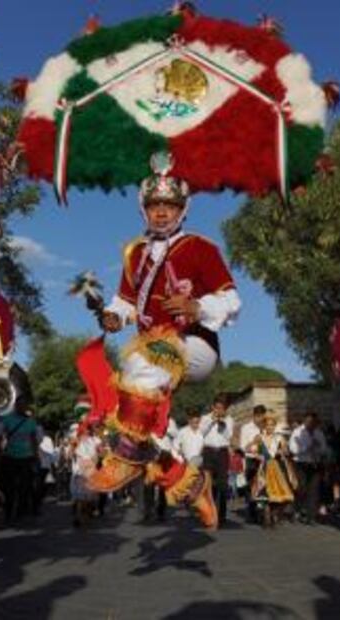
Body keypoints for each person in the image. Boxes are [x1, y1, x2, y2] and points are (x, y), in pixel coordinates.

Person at [81, 152, 241, 529]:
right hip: (150, 353)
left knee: (147, 363)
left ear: (183, 209)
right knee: (135, 422)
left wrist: (196, 305)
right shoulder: (134, 253)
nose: (162, 212)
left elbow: (234, 301)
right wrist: (114, 315)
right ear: (144, 209)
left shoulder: (201, 248)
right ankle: (189, 483)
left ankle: (121, 461)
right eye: (155, 205)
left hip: (196, 345)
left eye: (170, 205)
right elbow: (124, 301)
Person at [247, 412, 296, 527]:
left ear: (275, 426)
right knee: (265, 493)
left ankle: (274, 513)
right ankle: (267, 515)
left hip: (277, 468)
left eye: (272, 425)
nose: (270, 427)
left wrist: (283, 451)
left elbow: (286, 451)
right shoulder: (260, 437)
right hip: (264, 467)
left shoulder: (279, 438)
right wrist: (256, 454)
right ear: (264, 425)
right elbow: (248, 448)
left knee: (281, 493)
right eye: (268, 425)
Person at [0, 403, 40, 521]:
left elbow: (33, 440)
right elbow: (0, 435)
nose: (23, 408)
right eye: (20, 406)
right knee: (9, 487)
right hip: (10, 456)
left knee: (25, 486)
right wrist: (0, 451)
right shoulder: (7, 419)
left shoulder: (31, 421)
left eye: (24, 406)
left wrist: (36, 456)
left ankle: (20, 511)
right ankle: (8, 511)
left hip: (26, 457)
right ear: (16, 407)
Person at [289, 412, 329, 525]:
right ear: (305, 421)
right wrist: (307, 447)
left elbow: (324, 449)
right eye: (309, 422)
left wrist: (319, 447)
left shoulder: (318, 433)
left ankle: (311, 516)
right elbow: (293, 449)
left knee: (314, 490)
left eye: (313, 422)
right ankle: (297, 510)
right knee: (301, 488)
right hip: (301, 463)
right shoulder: (297, 433)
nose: (311, 424)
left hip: (315, 463)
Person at [200, 396, 234, 526]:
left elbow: (228, 436)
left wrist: (222, 423)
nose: (219, 411)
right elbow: (201, 433)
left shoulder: (229, 419)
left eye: (222, 409)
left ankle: (221, 516)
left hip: (222, 452)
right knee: (208, 485)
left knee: (222, 485)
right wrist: (212, 421)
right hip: (208, 451)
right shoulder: (205, 418)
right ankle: (209, 514)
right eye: (217, 408)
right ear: (213, 407)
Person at [239, 405, 267, 523]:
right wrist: (254, 442)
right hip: (251, 460)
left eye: (262, 417)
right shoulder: (246, 428)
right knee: (251, 487)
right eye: (258, 417)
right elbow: (242, 447)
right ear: (254, 416)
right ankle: (251, 513)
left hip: (263, 460)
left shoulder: (266, 427)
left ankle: (261, 513)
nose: (260, 419)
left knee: (262, 487)